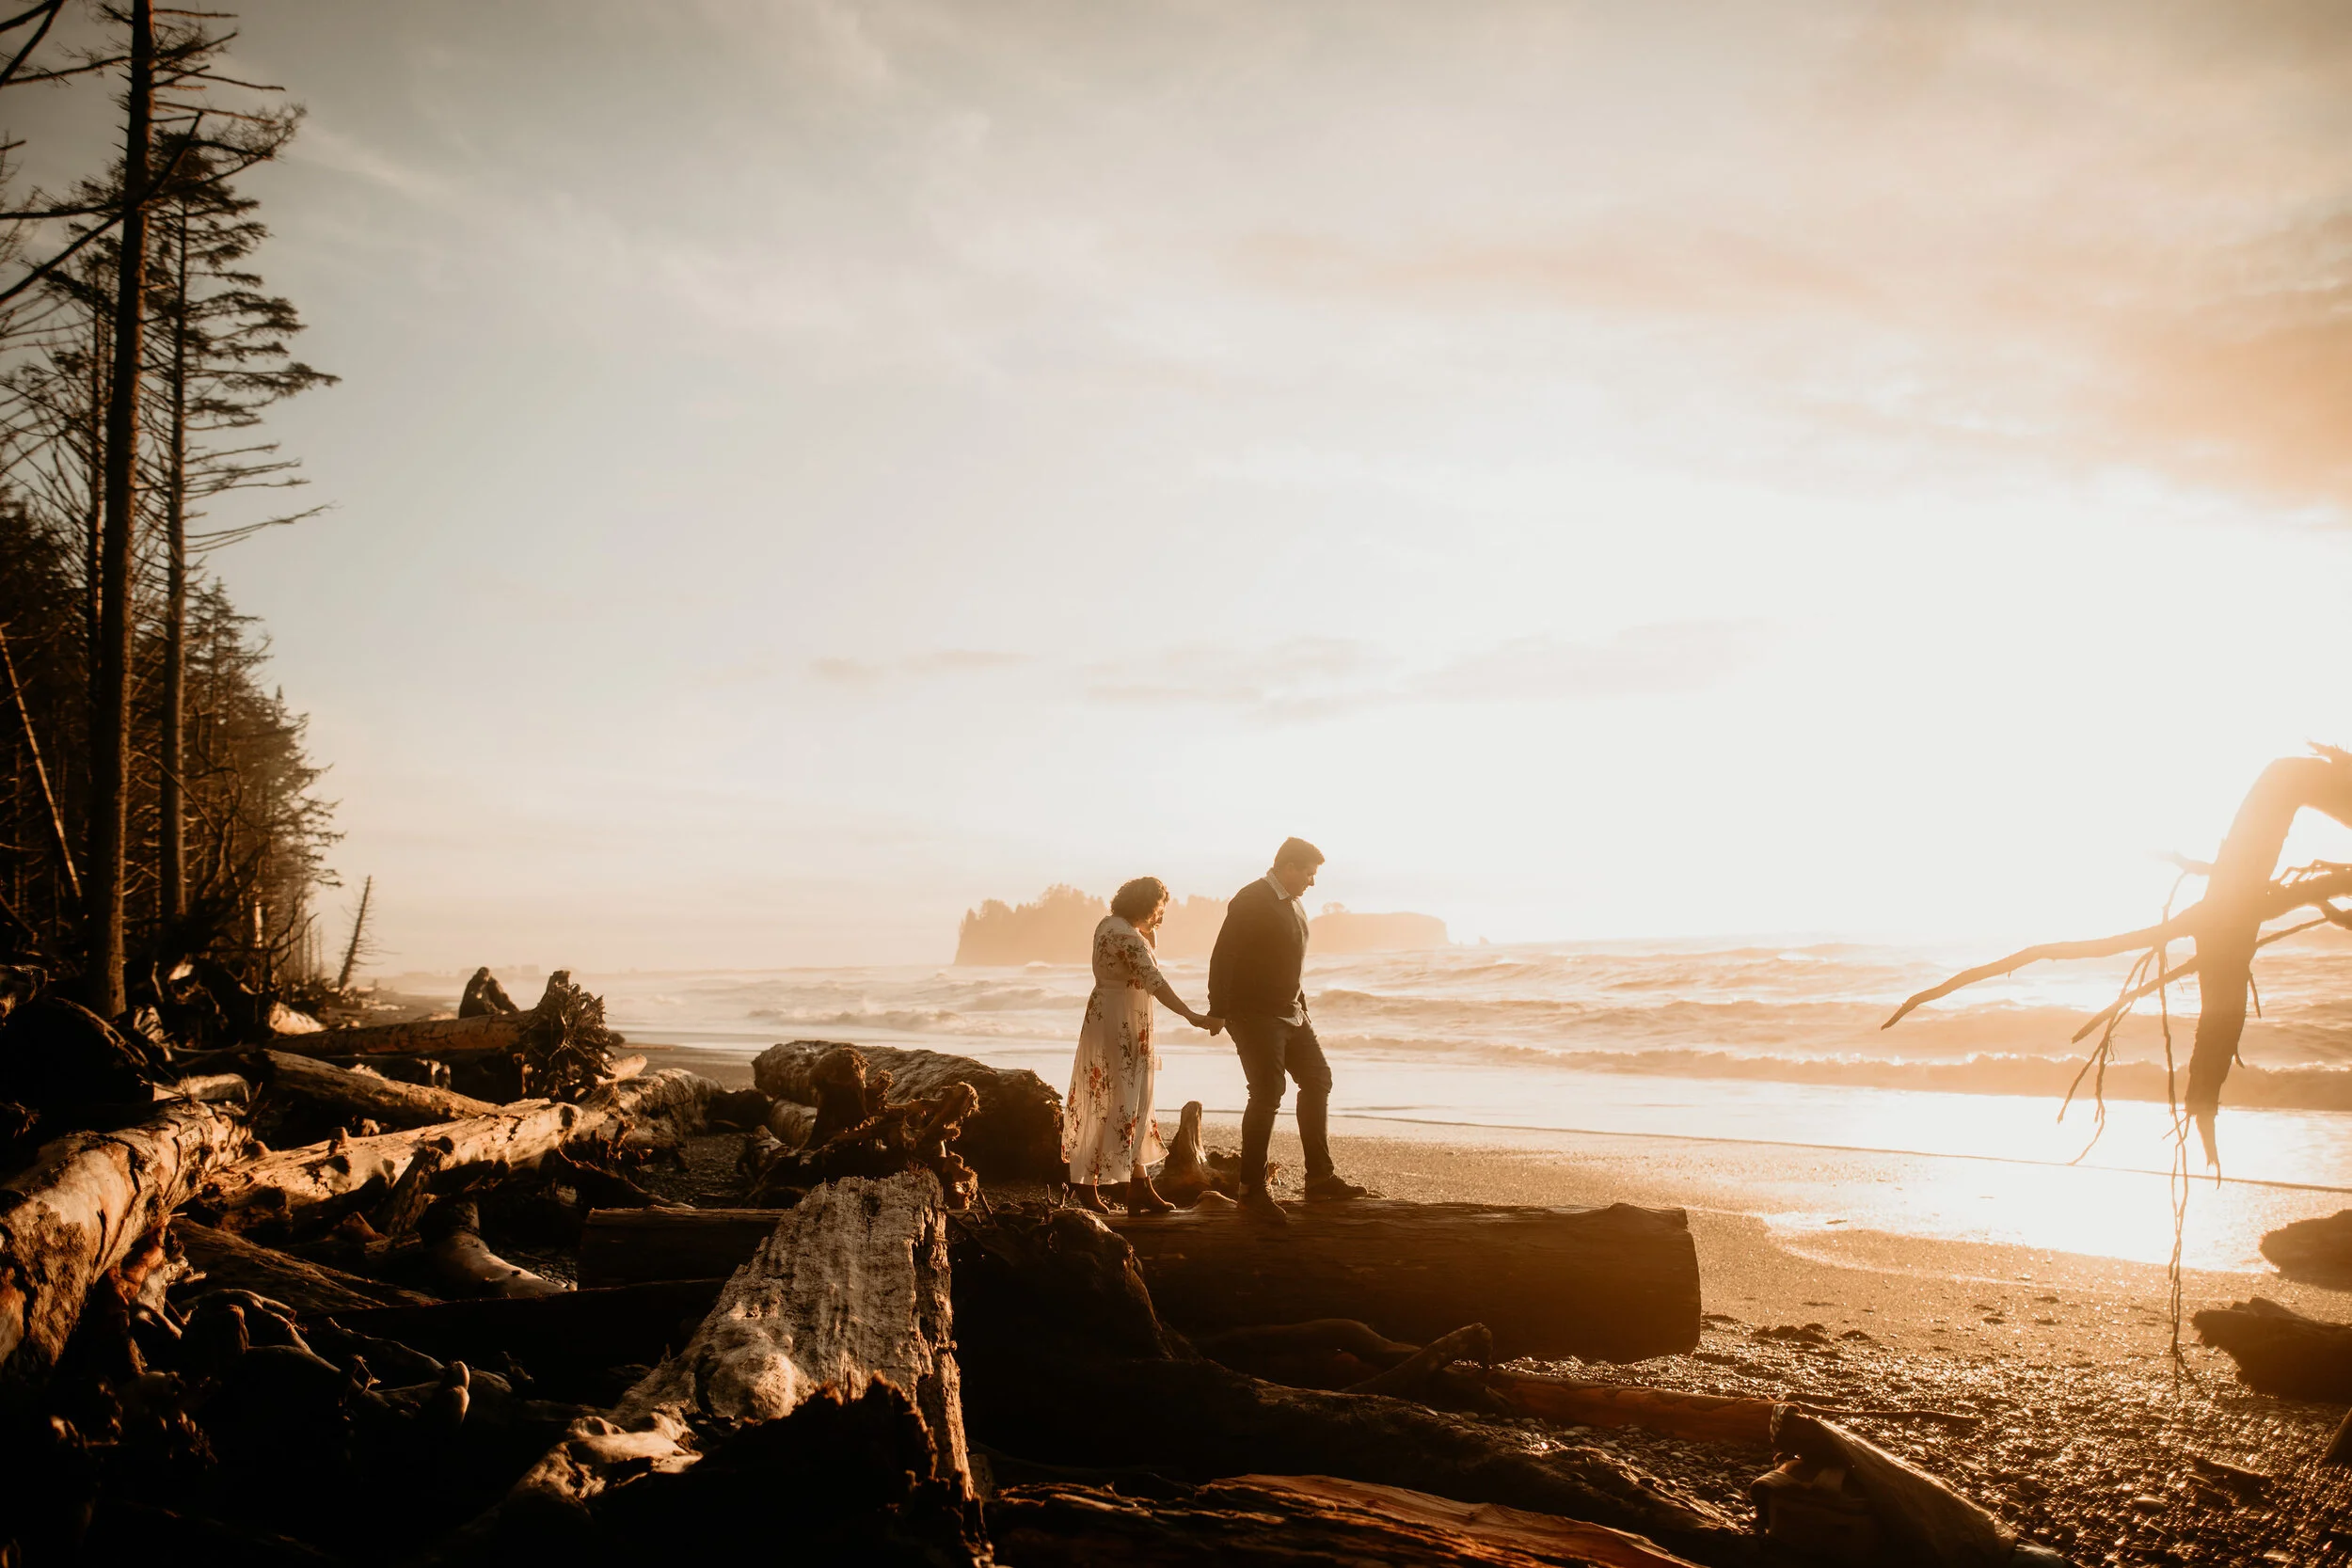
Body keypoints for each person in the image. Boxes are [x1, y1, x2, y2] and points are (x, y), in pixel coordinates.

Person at [1207, 837, 1373, 1224]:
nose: (1312, 882)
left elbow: (1288, 962)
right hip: (1254, 1015)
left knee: (1318, 1079)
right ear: (1288, 867)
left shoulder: (1293, 904)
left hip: (1292, 1013)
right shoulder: (1252, 899)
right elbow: (1224, 954)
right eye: (1309, 874)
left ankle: (1320, 1177)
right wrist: (1219, 1009)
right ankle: (1251, 1190)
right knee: (1267, 1093)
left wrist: (1303, 1005)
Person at [1064, 876, 1223, 1216]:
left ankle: (1136, 1183)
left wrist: (1149, 933)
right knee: (1124, 1099)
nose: (1161, 916)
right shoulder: (1125, 935)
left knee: (1120, 1098)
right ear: (1146, 905)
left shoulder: (1110, 925)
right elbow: (1155, 981)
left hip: (1111, 1012)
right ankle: (1092, 1181)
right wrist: (1192, 1015)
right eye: (1159, 908)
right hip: (1123, 1020)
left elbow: (1140, 966)